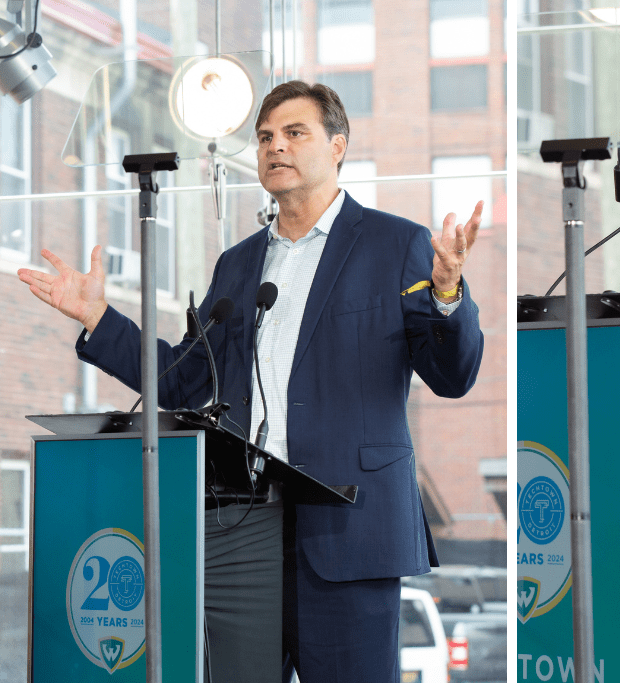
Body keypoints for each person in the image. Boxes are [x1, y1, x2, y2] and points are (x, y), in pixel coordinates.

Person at [18, 81, 485, 683]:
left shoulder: (396, 244)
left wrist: (447, 295)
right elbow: (182, 381)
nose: (275, 147)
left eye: (294, 133)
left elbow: (453, 376)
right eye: (265, 137)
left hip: (350, 528)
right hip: (241, 533)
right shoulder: (237, 263)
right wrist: (99, 320)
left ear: (338, 146)